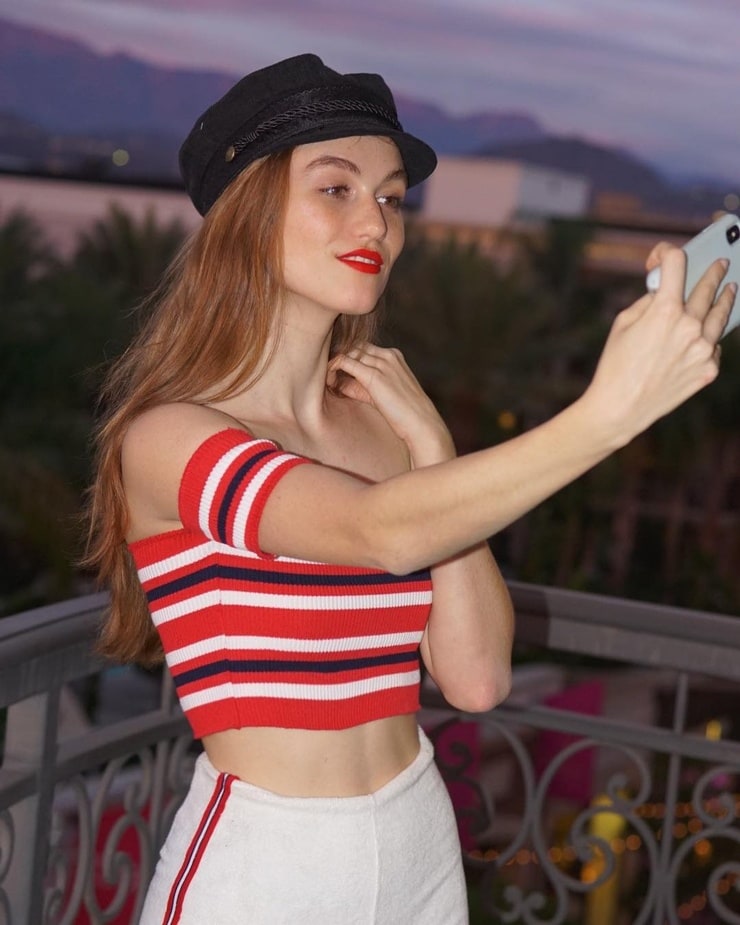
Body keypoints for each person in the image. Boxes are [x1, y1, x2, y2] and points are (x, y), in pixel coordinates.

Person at [84, 53, 735, 925]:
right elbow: (377, 531)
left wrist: (431, 447)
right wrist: (606, 415)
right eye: (336, 188)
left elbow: (476, 677)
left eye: (392, 198)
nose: (378, 223)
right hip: (268, 863)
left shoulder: (381, 430)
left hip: (418, 837)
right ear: (248, 210)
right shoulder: (169, 437)